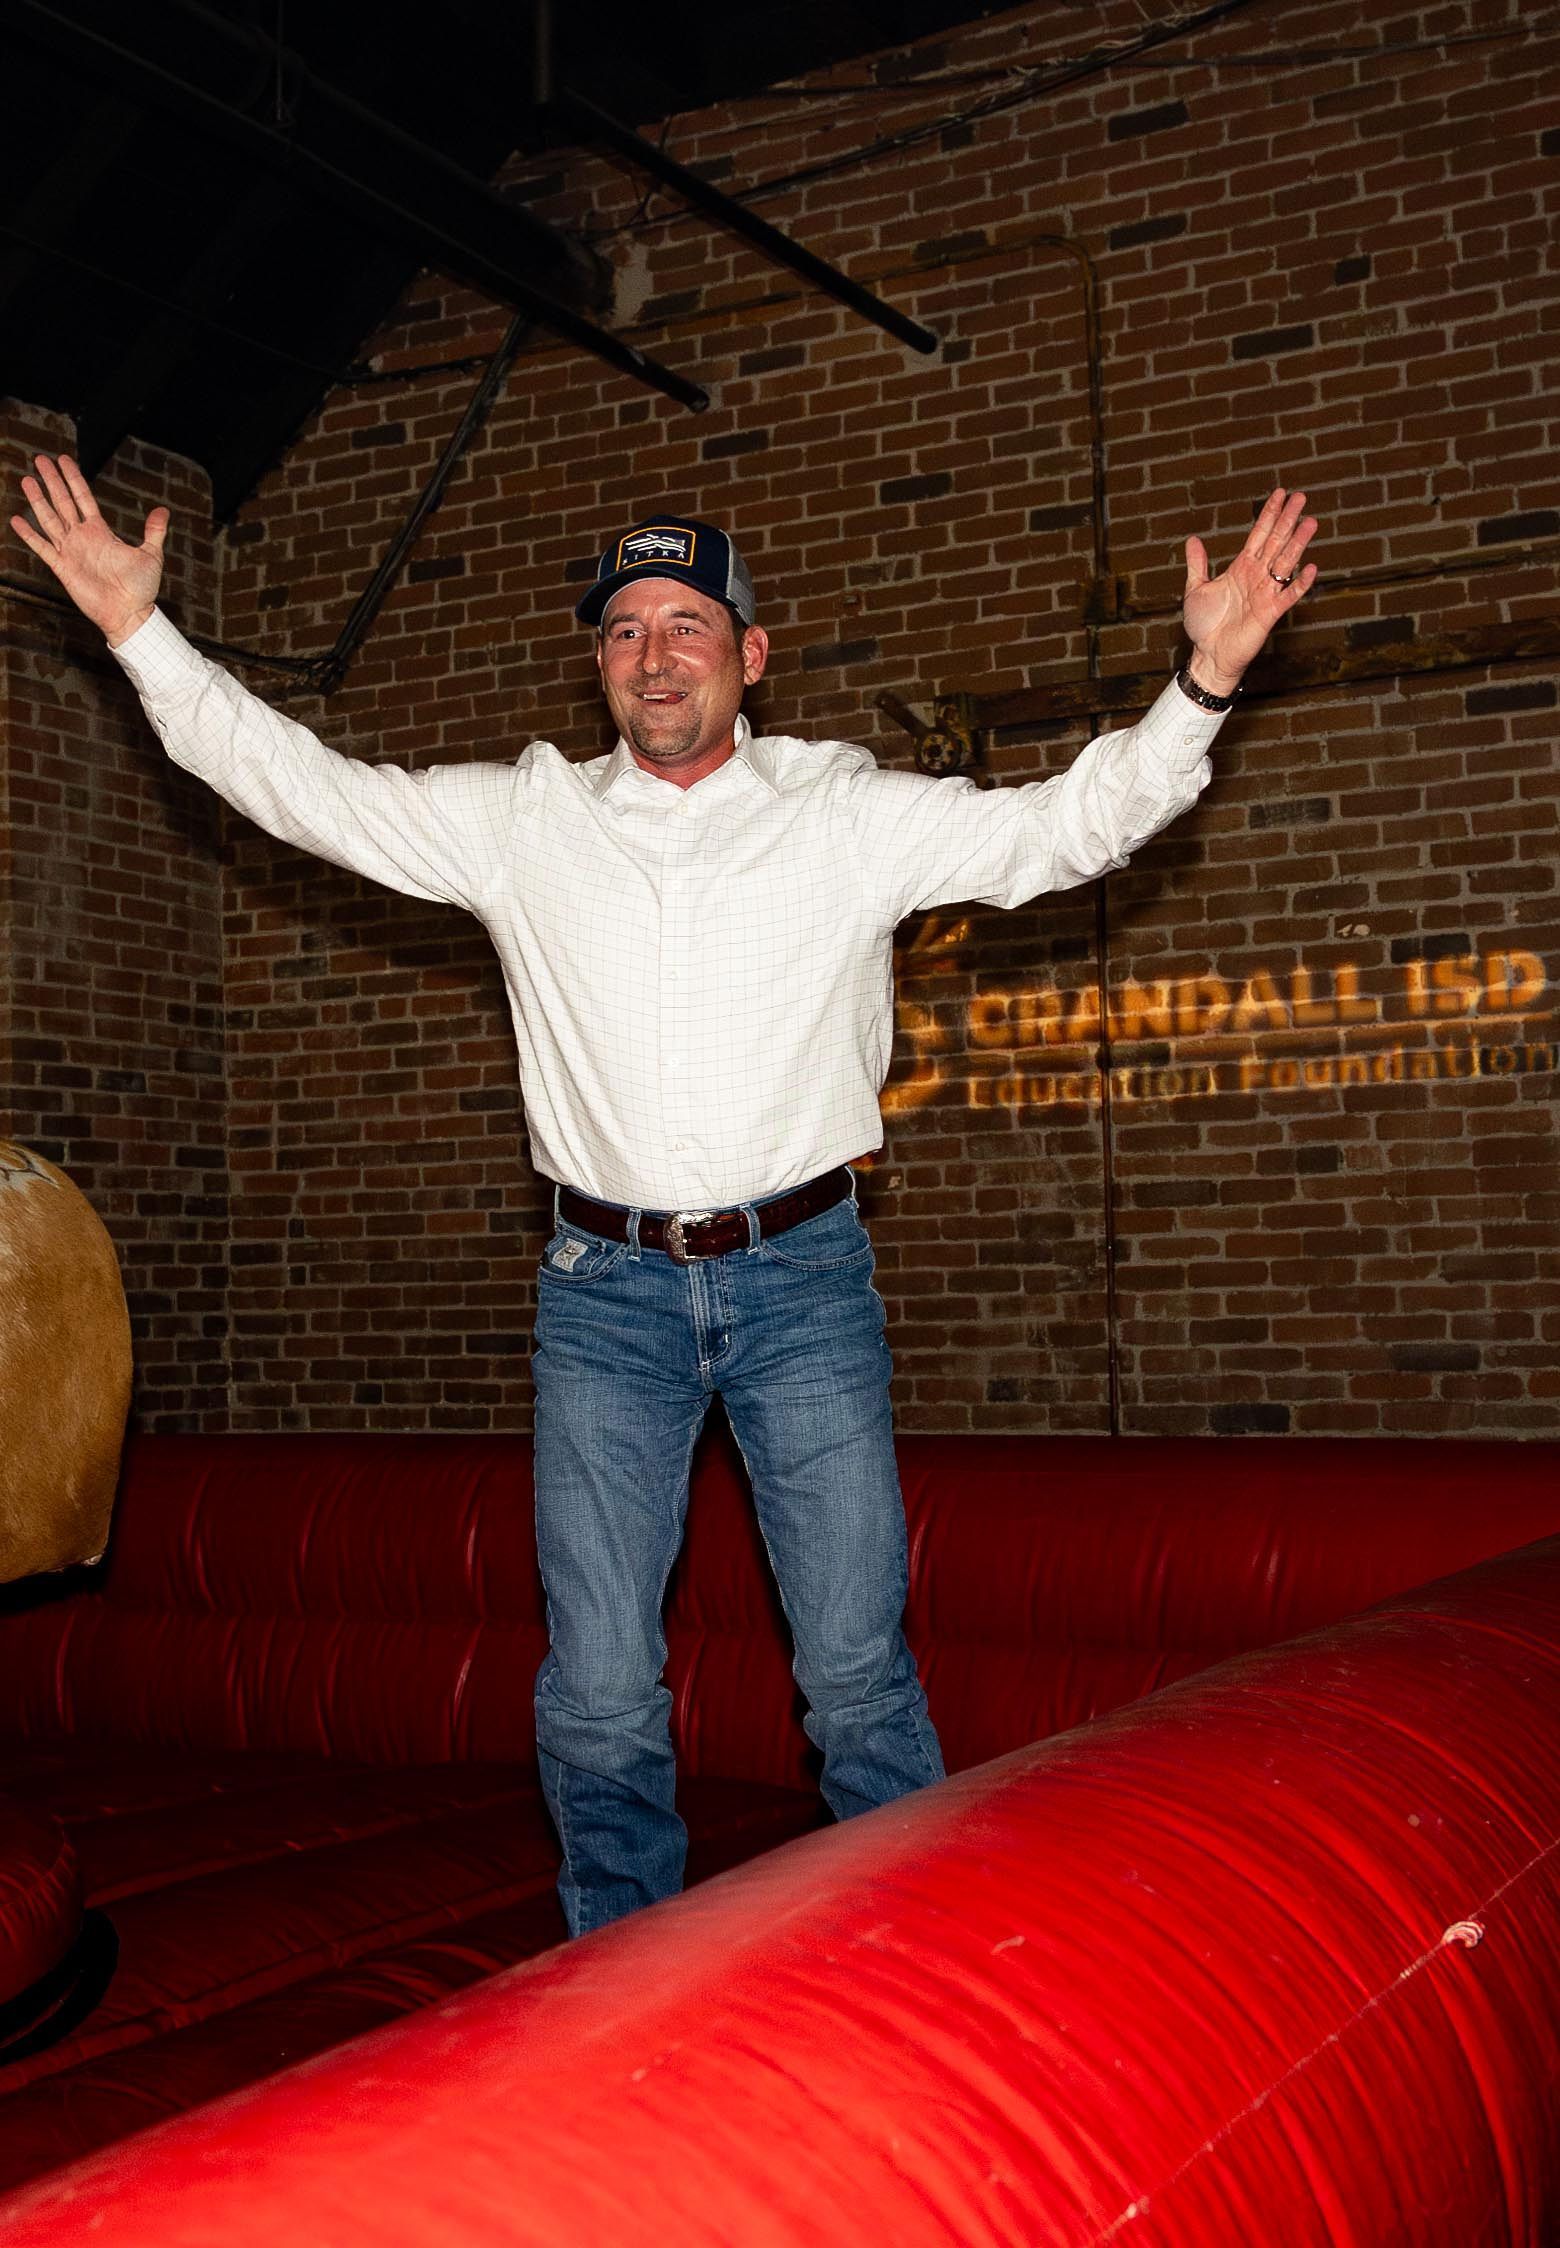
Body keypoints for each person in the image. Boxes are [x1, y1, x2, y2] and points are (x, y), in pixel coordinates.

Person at [10, 459, 1319, 1935]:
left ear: (750, 654)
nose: (654, 654)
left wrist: (1203, 683)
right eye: (625, 629)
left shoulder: (842, 813)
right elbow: (298, 787)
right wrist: (139, 634)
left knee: (855, 1672)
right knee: (599, 1686)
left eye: (687, 624)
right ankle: (617, 1963)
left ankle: (917, 1950)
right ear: (600, 665)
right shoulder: (526, 820)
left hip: (804, 1281)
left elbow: (1060, 830)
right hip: (605, 1297)